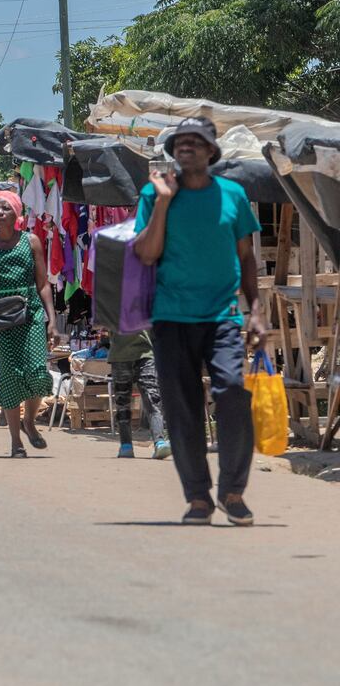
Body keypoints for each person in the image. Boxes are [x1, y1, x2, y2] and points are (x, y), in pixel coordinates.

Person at [133, 116, 263, 525]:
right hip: (170, 317)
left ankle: (233, 490)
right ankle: (198, 498)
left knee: (232, 391)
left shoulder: (233, 195)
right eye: (180, 141)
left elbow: (245, 257)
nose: (186, 145)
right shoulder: (153, 195)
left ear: (211, 151)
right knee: (182, 407)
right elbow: (147, 253)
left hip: (222, 314)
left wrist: (255, 310)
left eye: (196, 141)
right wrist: (165, 201)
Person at [0, 191, 59, 458]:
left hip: (31, 312)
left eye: (6, 208)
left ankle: (29, 422)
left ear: (16, 213)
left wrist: (52, 320)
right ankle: (15, 442)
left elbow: (43, 284)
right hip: (1, 319)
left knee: (36, 373)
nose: (0, 213)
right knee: (10, 378)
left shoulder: (31, 241)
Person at [104, 329, 171, 460]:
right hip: (138, 353)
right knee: (151, 399)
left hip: (127, 354)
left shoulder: (112, 307)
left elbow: (100, 322)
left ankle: (130, 446)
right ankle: (149, 443)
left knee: (129, 402)